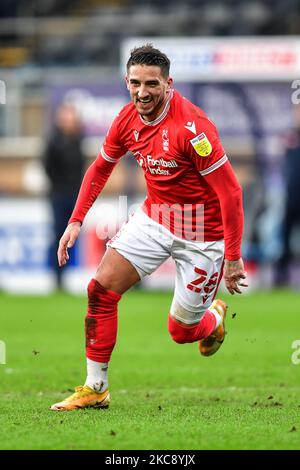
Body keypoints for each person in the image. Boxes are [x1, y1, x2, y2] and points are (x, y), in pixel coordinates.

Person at [50, 44, 247, 411]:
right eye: (135, 83)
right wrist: (76, 220)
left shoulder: (194, 130)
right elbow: (100, 168)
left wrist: (233, 258)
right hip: (156, 217)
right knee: (100, 289)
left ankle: (213, 319)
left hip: (202, 235)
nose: (143, 92)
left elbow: (231, 192)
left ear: (168, 84)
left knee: (181, 332)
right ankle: (96, 388)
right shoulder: (126, 119)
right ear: (126, 81)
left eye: (152, 84)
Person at [43, 103, 85, 289]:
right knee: (59, 233)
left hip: (75, 196)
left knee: (72, 236)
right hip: (59, 194)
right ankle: (57, 277)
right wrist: (59, 186)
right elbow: (48, 168)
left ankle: (66, 273)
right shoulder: (53, 141)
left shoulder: (77, 140)